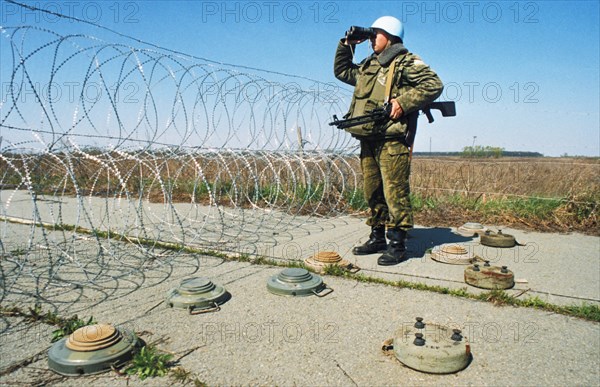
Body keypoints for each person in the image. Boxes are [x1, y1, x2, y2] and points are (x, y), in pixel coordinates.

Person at [334, 16, 443, 265]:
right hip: (368, 137)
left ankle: (398, 243)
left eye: (376, 34)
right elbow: (342, 71)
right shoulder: (369, 65)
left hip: (392, 139)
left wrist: (402, 103)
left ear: (391, 36)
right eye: (371, 35)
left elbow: (433, 84)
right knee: (372, 191)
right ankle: (377, 236)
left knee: (395, 192)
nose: (372, 38)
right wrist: (346, 44)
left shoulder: (405, 62)